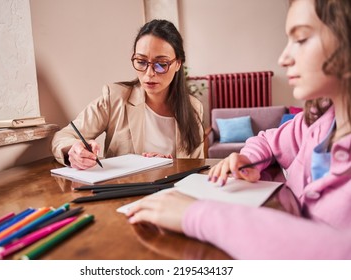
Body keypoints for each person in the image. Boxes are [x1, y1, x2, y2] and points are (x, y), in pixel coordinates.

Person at [127, 0, 351, 259]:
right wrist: (249, 158)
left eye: (300, 39)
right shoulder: (318, 120)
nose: (284, 58)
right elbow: (267, 140)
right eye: (141, 62)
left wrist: (198, 214)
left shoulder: (192, 107)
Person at [51, 19, 204, 169]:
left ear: (178, 63)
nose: (149, 73)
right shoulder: (115, 98)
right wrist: (74, 151)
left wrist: (169, 166)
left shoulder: (193, 107)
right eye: (141, 62)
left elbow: (197, 168)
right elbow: (63, 136)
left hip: (172, 192)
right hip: (125, 191)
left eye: (161, 64)